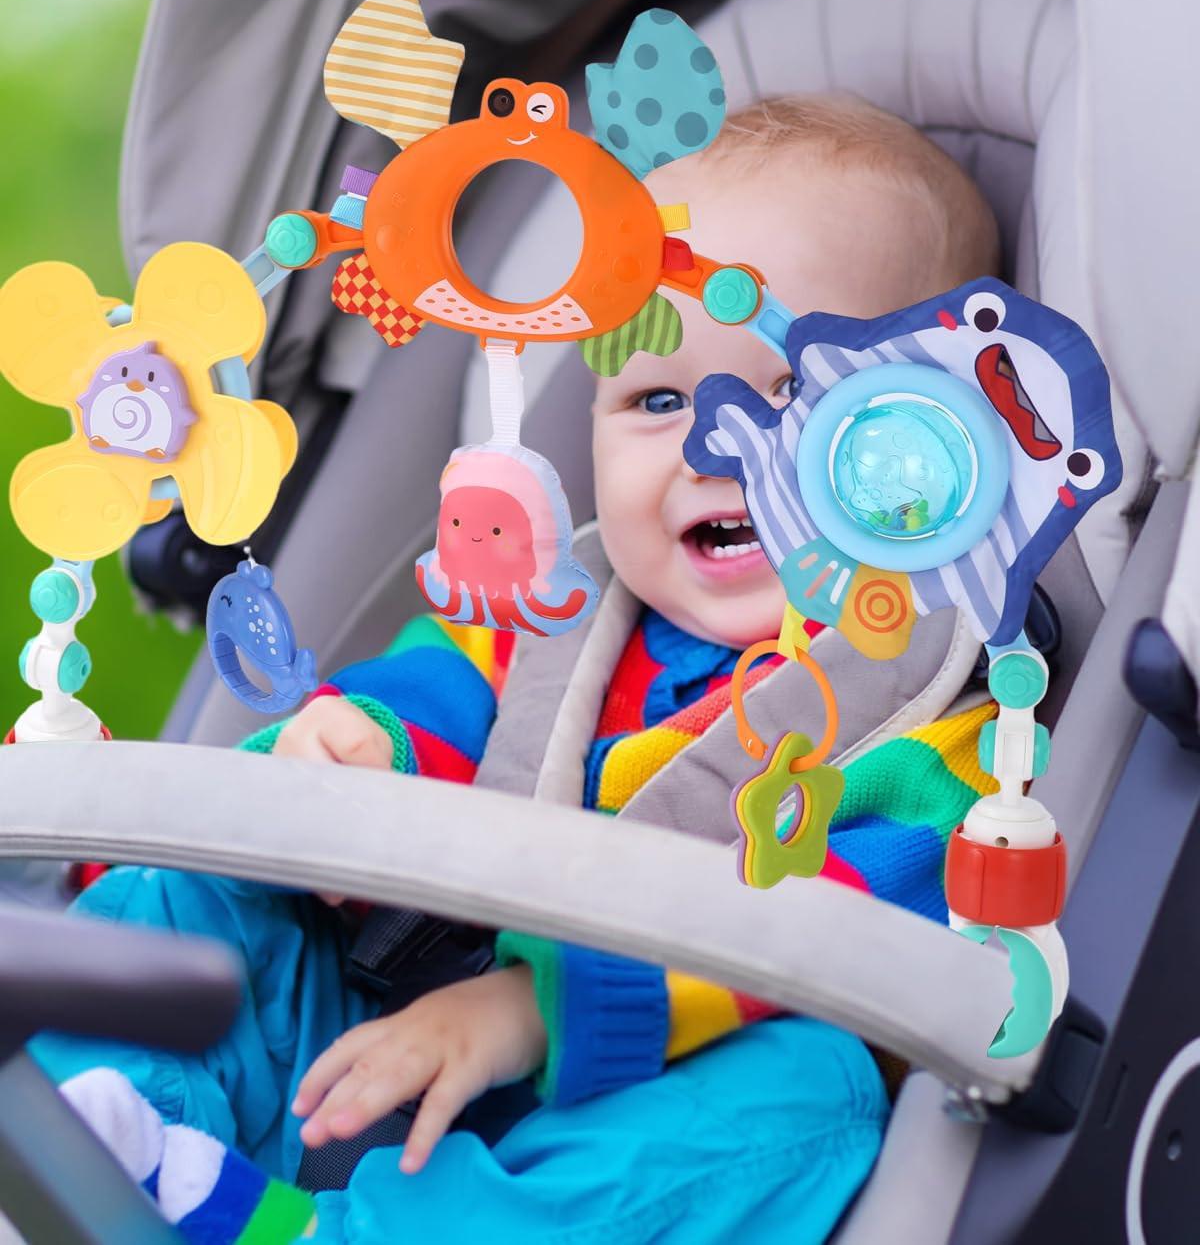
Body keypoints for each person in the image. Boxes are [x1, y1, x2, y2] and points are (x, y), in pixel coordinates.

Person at [36, 94, 1003, 1245]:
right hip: (405, 1009)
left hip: (665, 1084)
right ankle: (100, 1155)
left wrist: (530, 1008)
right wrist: (353, 750)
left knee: (809, 1100)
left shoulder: (933, 710)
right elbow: (430, 710)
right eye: (655, 400)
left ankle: (308, 1238)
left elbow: (854, 926)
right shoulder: (550, 613)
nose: (709, 449)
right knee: (173, 905)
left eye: (791, 395)